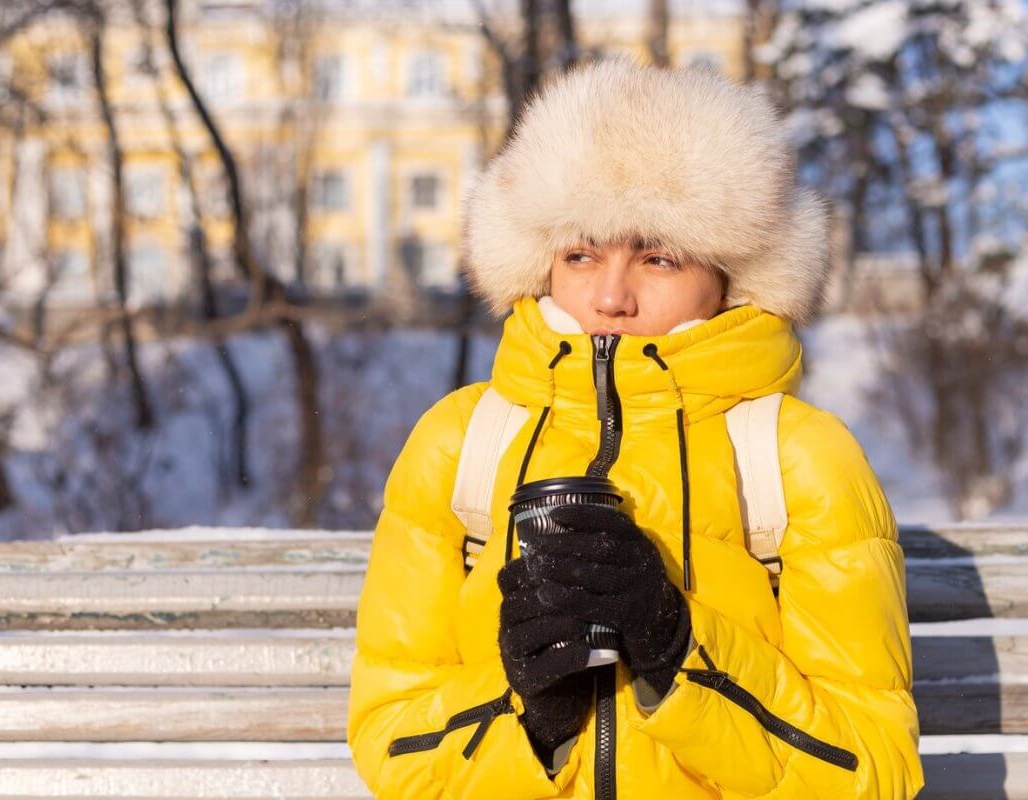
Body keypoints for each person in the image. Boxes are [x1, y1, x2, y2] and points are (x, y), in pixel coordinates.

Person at [347, 56, 924, 799]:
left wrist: (677, 648)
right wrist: (529, 715)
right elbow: (391, 744)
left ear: (731, 275)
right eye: (581, 253)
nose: (610, 296)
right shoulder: (462, 443)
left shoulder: (796, 457)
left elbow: (872, 769)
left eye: (659, 256)